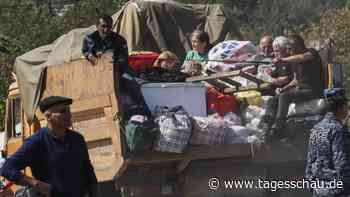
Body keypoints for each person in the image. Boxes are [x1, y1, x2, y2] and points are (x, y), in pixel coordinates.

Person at [1, 96, 97, 197]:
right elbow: (7, 169)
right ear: (48, 116)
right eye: (63, 111)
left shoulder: (77, 139)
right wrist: (37, 184)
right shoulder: (36, 142)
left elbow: (88, 172)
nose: (68, 115)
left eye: (69, 110)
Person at [82, 14, 150, 116]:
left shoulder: (119, 39)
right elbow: (86, 52)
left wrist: (111, 63)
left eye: (109, 26)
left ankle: (143, 111)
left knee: (133, 83)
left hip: (118, 71)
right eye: (103, 26)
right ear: (97, 26)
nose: (106, 29)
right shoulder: (90, 39)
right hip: (97, 73)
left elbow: (124, 59)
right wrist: (92, 57)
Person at [271, 34, 325, 138]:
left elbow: (302, 57)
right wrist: (283, 89)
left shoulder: (311, 53)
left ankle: (278, 127)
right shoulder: (295, 62)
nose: (288, 51)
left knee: (285, 97)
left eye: (290, 48)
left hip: (313, 90)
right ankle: (266, 125)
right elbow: (296, 80)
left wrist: (283, 60)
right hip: (301, 90)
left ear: (298, 46)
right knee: (274, 99)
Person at [306, 88, 350, 197]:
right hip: (336, 191)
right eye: (346, 105)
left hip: (319, 191)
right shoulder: (338, 130)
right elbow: (341, 164)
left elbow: (310, 163)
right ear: (341, 107)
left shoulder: (316, 128)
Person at [259, 36, 293, 136]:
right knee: (272, 101)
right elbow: (274, 76)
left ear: (286, 50)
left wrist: (282, 81)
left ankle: (277, 127)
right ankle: (266, 127)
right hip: (280, 91)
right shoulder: (278, 62)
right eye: (274, 51)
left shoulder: (291, 61)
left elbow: (291, 78)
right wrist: (269, 74)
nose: (275, 53)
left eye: (278, 51)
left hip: (290, 90)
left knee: (276, 99)